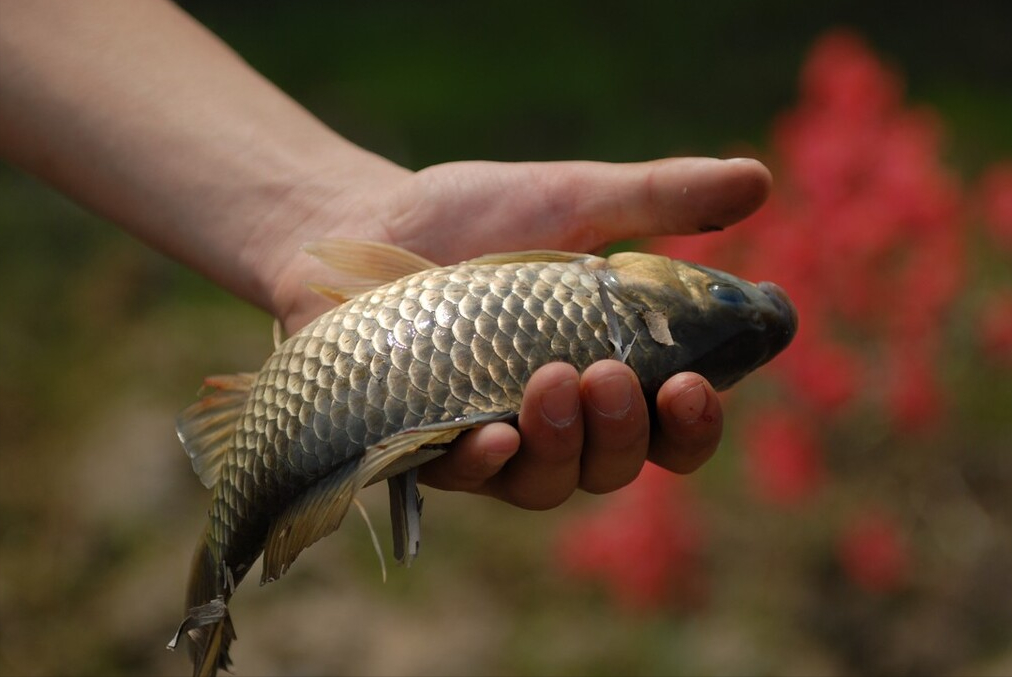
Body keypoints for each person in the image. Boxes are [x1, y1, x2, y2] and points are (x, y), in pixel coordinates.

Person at [0, 0, 772, 510]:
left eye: (724, 297)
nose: (730, 286)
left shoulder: (606, 294)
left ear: (657, 304)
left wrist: (312, 219)